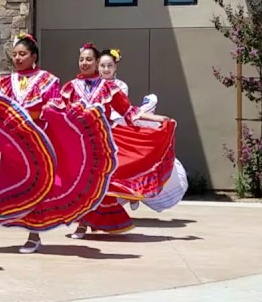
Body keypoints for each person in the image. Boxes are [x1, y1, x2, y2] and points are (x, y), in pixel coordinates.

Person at [0, 35, 117, 253]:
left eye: (23, 54)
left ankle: (34, 235)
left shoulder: (47, 80)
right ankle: (30, 229)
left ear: (34, 57)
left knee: (39, 186)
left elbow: (54, 109)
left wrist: (31, 114)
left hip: (38, 142)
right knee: (19, 189)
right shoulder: (4, 83)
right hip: (14, 146)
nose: (18, 58)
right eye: (15, 55)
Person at [61, 45, 180, 238]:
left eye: (89, 59)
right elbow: (59, 111)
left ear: (97, 62)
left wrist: (155, 119)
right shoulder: (70, 87)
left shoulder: (109, 88)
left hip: (102, 142)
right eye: (82, 59)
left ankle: (84, 224)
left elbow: (128, 112)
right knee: (82, 184)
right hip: (79, 143)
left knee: (99, 183)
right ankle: (83, 223)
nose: (84, 63)